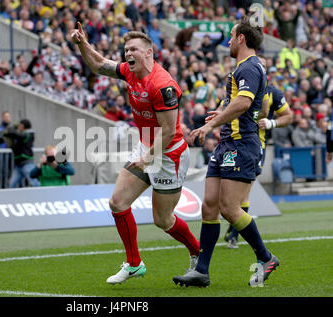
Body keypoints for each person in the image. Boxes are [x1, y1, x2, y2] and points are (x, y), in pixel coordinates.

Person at [71, 23, 200, 285]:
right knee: (117, 203)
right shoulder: (130, 73)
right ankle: (133, 264)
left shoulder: (162, 85)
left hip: (168, 156)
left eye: (134, 49)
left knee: (162, 220)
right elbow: (98, 65)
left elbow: (167, 132)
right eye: (126, 49)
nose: (128, 53)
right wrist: (82, 44)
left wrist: (148, 157)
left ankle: (198, 254)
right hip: (146, 148)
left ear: (149, 53)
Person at [173, 17, 279, 288]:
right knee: (209, 205)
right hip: (227, 144)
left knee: (230, 209)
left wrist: (214, 122)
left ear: (241, 38)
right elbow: (260, 108)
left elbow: (244, 103)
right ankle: (202, 271)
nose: (229, 41)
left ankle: (265, 257)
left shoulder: (250, 67)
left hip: (241, 144)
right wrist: (222, 116)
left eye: (231, 36)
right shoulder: (246, 69)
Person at [224, 55, 294, 249]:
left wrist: (271, 122)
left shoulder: (273, 93)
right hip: (231, 143)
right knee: (226, 196)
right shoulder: (238, 89)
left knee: (244, 194)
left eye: (263, 66)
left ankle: (234, 235)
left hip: (255, 146)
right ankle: (231, 231)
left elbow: (289, 116)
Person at [3, 119, 39, 188]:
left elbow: (17, 135)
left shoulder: (29, 134)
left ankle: (41, 197)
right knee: (12, 184)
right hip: (18, 165)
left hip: (27, 163)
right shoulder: (20, 134)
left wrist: (11, 129)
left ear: (23, 126)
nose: (19, 127)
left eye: (20, 125)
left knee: (34, 183)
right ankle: (14, 198)